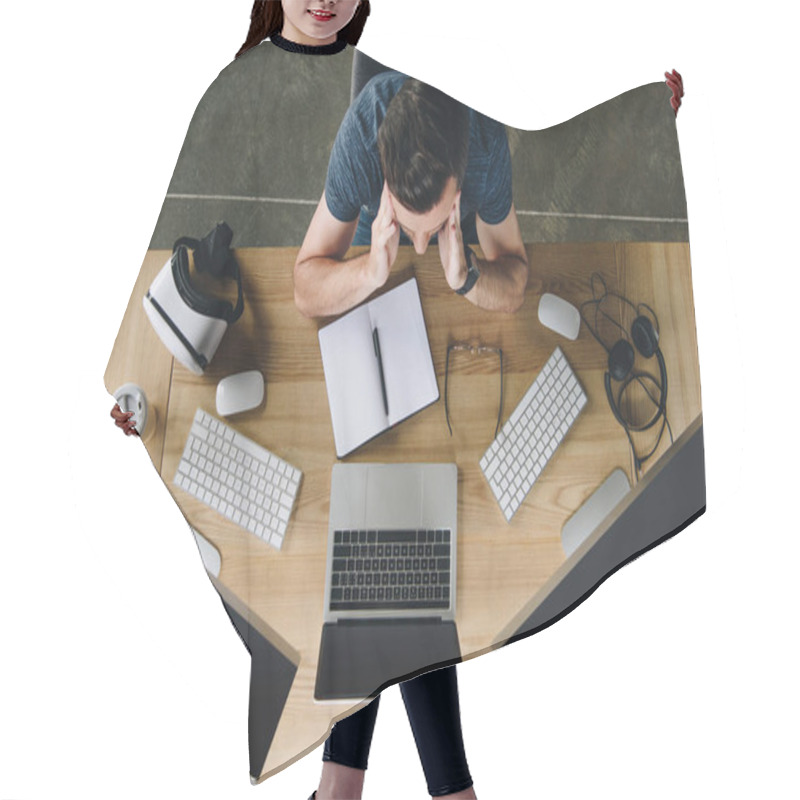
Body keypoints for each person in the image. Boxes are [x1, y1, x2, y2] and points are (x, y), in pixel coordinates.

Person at [110, 4, 478, 799]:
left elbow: (506, 144)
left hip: (371, 377)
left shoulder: (381, 92)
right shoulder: (235, 91)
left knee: (388, 555)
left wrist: (643, 128)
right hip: (274, 383)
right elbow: (168, 242)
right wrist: (138, 388)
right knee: (383, 562)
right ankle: (423, 789)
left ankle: (348, 787)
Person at [293, 72, 530, 318]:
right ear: (387, 188)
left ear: (459, 186)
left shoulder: (486, 141)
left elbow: (515, 287)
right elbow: (304, 292)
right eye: (410, 226)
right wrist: (368, 271)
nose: (420, 248)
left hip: (458, 226)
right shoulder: (361, 136)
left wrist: (465, 276)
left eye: (432, 226)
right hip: (379, 224)